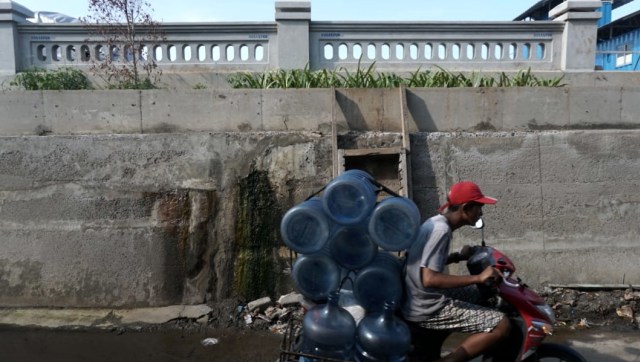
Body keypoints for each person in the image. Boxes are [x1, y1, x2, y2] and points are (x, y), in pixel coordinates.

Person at [401, 181, 510, 362]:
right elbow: (429, 278)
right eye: (479, 207)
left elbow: (424, 261)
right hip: (426, 306)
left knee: (480, 293)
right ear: (466, 208)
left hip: (417, 296)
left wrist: (456, 257)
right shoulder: (442, 230)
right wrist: (478, 277)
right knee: (502, 324)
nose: (481, 213)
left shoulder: (435, 222)